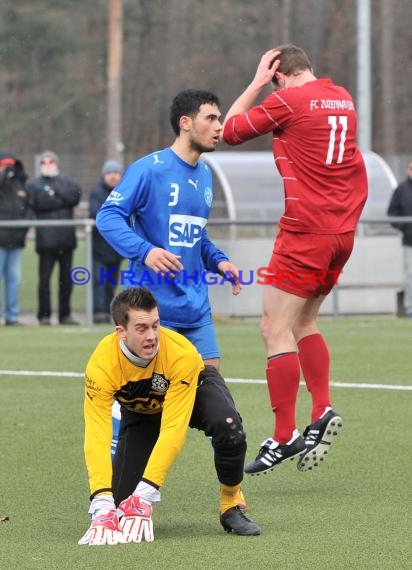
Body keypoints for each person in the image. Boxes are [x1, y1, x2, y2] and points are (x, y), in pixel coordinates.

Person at [222, 44, 368, 474]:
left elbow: (229, 131)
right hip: (341, 232)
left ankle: (283, 435)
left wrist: (255, 84)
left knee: (274, 327)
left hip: (306, 230)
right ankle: (320, 408)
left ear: (278, 74)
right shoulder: (342, 96)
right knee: (304, 321)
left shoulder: (285, 98)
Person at [78, 287, 260, 546]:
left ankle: (231, 502)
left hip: (193, 394)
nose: (152, 336)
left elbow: (173, 428)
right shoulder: (100, 366)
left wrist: (146, 493)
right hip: (141, 414)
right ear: (121, 332)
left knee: (228, 426)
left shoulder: (180, 353)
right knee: (117, 507)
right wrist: (101, 497)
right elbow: (97, 437)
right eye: (141, 329)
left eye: (156, 325)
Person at [96, 89, 241, 371]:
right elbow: (108, 216)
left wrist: (219, 260)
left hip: (196, 306)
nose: (219, 126)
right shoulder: (149, 169)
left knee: (209, 385)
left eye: (219, 118)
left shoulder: (205, 174)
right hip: (151, 307)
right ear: (185, 123)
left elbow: (196, 235)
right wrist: (146, 251)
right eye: (210, 118)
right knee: (147, 399)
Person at [27, 150, 81, 325]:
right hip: (46, 242)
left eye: (51, 162)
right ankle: (44, 316)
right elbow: (37, 203)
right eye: (44, 162)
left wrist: (54, 193)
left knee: (66, 281)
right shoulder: (34, 185)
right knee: (44, 282)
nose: (48, 165)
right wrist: (59, 198)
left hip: (66, 241)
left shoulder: (67, 182)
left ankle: (65, 315)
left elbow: (74, 197)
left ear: (56, 164)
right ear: (40, 165)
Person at [89, 160, 123, 324]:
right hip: (99, 248)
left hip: (116, 249)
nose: (113, 176)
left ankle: (108, 310)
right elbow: (97, 214)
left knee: (111, 283)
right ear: (104, 175)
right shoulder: (97, 193)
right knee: (99, 281)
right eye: (110, 173)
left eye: (116, 173)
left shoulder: (124, 192)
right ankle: (99, 312)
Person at [0, 153, 30, 326]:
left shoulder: (20, 185)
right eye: (4, 165)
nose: (8, 168)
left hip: (15, 240)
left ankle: (12, 316)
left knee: (15, 280)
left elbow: (27, 208)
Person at [387, 160, 412, 317]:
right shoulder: (401, 190)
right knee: (410, 275)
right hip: (409, 242)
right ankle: (410, 308)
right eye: (410, 167)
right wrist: (406, 226)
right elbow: (392, 214)